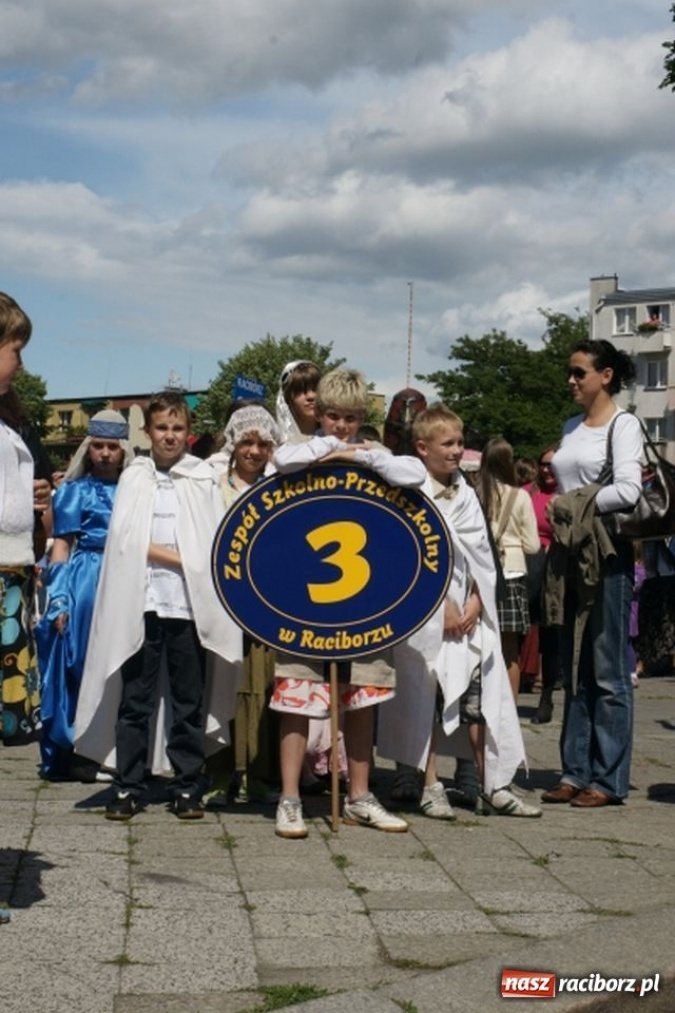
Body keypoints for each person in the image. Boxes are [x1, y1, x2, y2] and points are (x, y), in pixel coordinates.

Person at [270, 368, 427, 838]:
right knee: (298, 695)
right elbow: (282, 462)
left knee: (363, 698)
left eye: (351, 418)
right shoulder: (302, 446)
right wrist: (327, 448)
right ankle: (290, 799)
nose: (342, 426)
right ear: (320, 413)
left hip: (364, 601)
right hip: (305, 598)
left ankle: (359, 796)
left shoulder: (373, 451)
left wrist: (363, 455)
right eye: (334, 416)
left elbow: (415, 473)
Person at [73, 390, 242, 820]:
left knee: (189, 700)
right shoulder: (136, 477)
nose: (169, 436)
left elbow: (211, 540)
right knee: (136, 700)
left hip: (187, 606)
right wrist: (184, 559)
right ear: (148, 431)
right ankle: (129, 785)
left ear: (189, 433)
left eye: (177, 428)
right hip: (142, 604)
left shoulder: (201, 479)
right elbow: (126, 542)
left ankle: (187, 784)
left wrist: (195, 563)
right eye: (162, 427)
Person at [378, 404, 540, 818]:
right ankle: (430, 783)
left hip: (469, 615)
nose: (455, 450)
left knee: (480, 702)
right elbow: (405, 556)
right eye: (447, 443)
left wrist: (475, 601)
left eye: (460, 442)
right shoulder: (410, 493)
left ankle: (492, 782)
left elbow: (481, 554)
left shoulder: (467, 493)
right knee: (425, 701)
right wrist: (440, 605)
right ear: (422, 448)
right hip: (426, 616)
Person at [542, 339, 642, 808]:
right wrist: (565, 508)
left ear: (606, 376)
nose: (571, 380)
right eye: (570, 371)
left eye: (579, 372)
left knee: (607, 668)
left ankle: (608, 778)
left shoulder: (624, 425)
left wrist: (571, 504)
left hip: (606, 554)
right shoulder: (571, 426)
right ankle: (574, 770)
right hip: (569, 553)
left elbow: (628, 490)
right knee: (574, 665)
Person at [35, 410, 134, 780]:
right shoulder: (74, 491)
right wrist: (59, 597)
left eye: (113, 447)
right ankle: (79, 752)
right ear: (88, 450)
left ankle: (118, 749)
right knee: (79, 660)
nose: (105, 454)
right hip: (87, 579)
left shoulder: (135, 491)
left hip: (126, 575)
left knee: (123, 664)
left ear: (124, 452)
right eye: (99, 446)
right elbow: (62, 546)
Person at [206, 404, 281, 805]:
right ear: (233, 444)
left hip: (265, 604)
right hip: (222, 602)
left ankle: (258, 773)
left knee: (261, 687)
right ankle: (219, 774)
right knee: (222, 687)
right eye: (247, 442)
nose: (254, 451)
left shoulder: (278, 489)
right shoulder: (214, 486)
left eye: (262, 444)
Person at [0, 292, 51, 747]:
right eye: (16, 350)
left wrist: (30, 495)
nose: (21, 364)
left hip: (11, 569)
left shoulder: (8, 422)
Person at [477, 438, 540, 701]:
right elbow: (533, 545)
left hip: (481, 573)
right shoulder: (520, 496)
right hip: (512, 572)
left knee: (480, 644)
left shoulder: (475, 493)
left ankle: (482, 701)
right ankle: (510, 707)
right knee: (510, 648)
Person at [527, 445, 561, 724]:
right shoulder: (527, 493)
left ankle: (546, 695)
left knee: (550, 634)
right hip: (527, 566)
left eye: (552, 464)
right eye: (543, 463)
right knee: (518, 633)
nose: (547, 469)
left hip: (555, 569)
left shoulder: (565, 495)